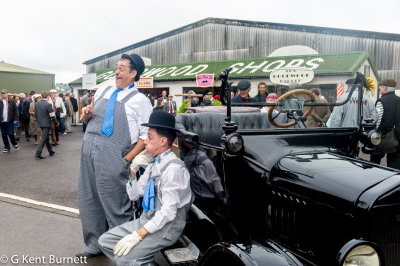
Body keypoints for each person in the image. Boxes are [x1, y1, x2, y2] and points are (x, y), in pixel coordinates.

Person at [77, 53, 152, 258]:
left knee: (116, 205)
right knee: (89, 199)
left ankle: (123, 252)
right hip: (88, 150)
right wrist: (86, 115)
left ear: (133, 73)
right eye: (116, 68)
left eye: (121, 68)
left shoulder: (141, 101)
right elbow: (88, 121)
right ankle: (94, 245)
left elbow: (146, 138)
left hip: (114, 156)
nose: (116, 72)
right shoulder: (103, 90)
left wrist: (127, 160)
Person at [98, 111, 192, 265]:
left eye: (149, 137)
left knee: (123, 259)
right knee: (105, 241)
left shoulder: (173, 169)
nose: (145, 142)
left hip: (168, 227)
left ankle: (138, 261)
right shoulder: (152, 163)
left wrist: (139, 234)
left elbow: (168, 213)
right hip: (149, 219)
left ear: (162, 141)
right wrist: (133, 171)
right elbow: (134, 195)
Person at [370, 79, 400, 169]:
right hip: (398, 137)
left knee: (375, 161)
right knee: (395, 163)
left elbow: (378, 120)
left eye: (380, 88)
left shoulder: (381, 101)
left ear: (385, 88)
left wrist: (378, 132)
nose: (379, 90)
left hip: (384, 136)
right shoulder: (399, 100)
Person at [34, 91, 56, 159]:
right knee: (43, 138)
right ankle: (38, 153)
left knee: (46, 138)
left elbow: (36, 114)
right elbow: (52, 114)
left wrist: (39, 121)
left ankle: (50, 151)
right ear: (48, 96)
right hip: (46, 123)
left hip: (40, 122)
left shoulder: (37, 104)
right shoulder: (48, 104)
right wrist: (55, 122)